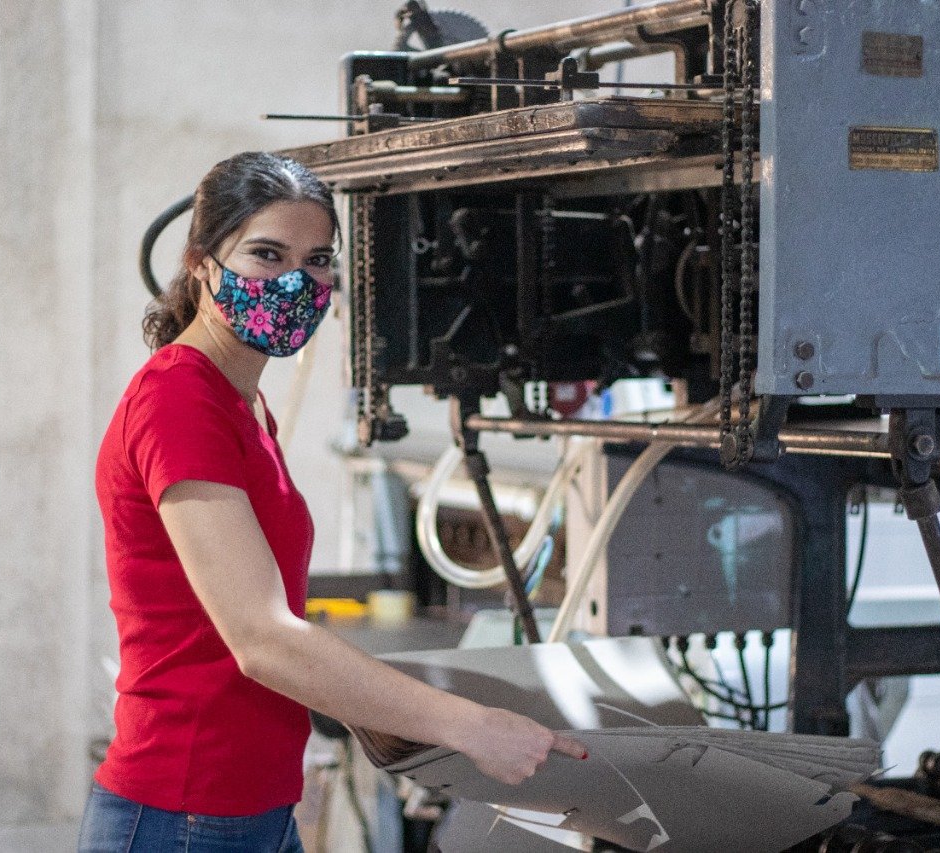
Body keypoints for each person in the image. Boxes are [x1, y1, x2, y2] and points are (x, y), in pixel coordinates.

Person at [78, 151, 586, 853]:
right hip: (183, 812)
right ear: (200, 262)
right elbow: (262, 639)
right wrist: (471, 726)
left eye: (317, 260)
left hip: (249, 809)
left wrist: (372, 708)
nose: (295, 281)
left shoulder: (242, 403)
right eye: (267, 254)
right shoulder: (179, 401)